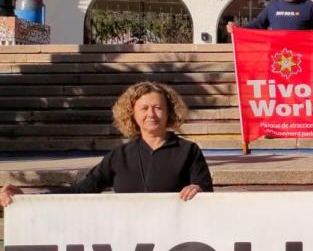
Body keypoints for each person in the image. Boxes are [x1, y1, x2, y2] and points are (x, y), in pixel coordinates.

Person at [0, 81, 213, 206]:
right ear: (132, 114)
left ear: (169, 112)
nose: (151, 114)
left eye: (158, 108)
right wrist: (26, 199)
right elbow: (82, 190)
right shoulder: (119, 156)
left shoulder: (188, 151)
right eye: (144, 108)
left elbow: (208, 194)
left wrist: (198, 190)